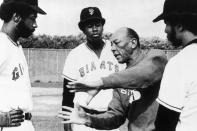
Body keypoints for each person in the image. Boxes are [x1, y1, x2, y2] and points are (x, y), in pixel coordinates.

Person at [58, 27, 168, 131]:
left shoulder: (156, 57)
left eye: (117, 43)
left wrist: (101, 83)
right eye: (111, 45)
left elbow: (144, 74)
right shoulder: (120, 80)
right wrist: (87, 119)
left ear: (133, 43)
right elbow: (116, 116)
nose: (112, 49)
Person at [61, 7, 125, 131]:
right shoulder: (74, 55)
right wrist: (67, 127)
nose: (95, 29)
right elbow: (67, 96)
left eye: (98, 24)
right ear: (83, 29)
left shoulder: (115, 50)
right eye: (90, 25)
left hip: (109, 118)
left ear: (102, 26)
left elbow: (125, 84)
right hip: (83, 119)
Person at [0, 0, 46, 130]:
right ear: (16, 17)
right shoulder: (1, 45)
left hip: (23, 124)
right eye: (32, 18)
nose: (35, 25)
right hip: (9, 126)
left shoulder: (15, 46)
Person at [152, 0, 197, 130]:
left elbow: (164, 123)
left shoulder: (181, 62)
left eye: (166, 23)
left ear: (179, 25)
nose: (165, 30)